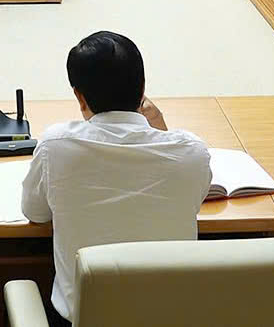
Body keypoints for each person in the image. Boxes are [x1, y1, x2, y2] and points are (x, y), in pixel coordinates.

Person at [19, 31, 209, 326]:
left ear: (79, 96)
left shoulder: (56, 145)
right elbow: (190, 196)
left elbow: (35, 212)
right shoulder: (191, 151)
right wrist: (160, 129)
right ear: (142, 88)